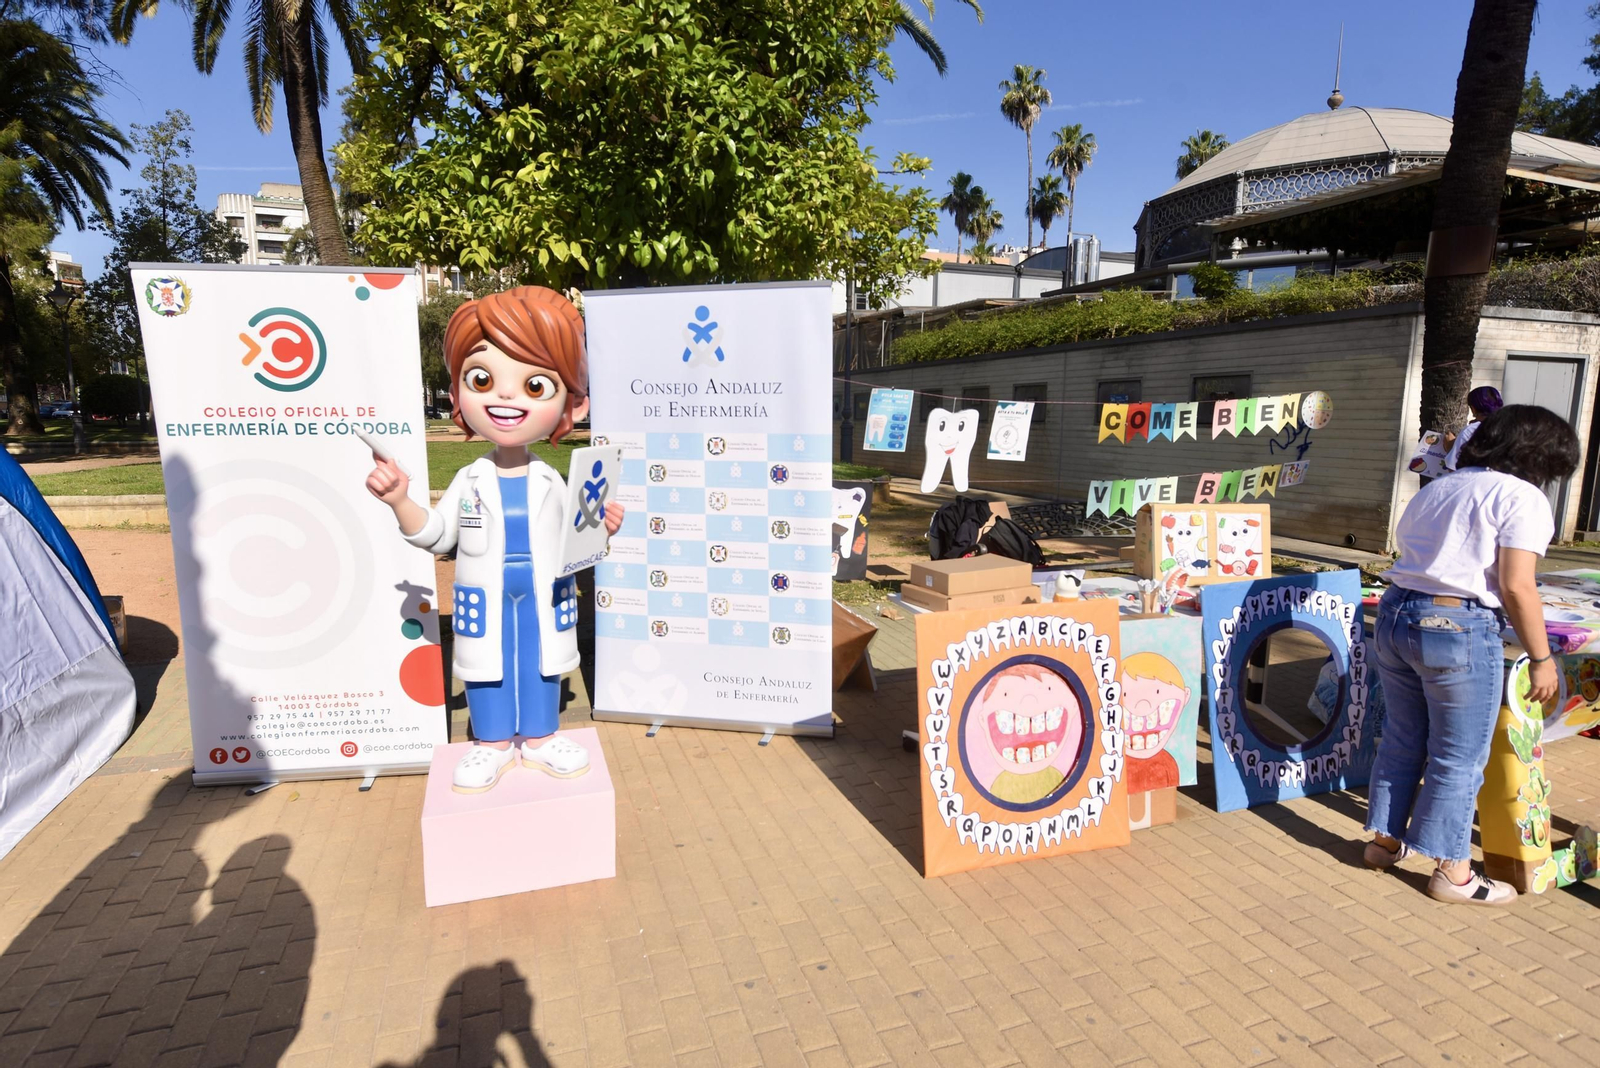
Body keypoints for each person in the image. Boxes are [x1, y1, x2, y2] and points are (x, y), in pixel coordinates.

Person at [365, 287, 624, 793]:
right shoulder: (470, 479)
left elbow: (579, 541)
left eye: (535, 385)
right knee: (486, 666)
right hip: (485, 590)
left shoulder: (554, 481)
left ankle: (541, 736)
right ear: (460, 391)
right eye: (482, 379)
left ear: (572, 403)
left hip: (544, 591)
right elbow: (438, 535)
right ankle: (492, 744)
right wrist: (400, 500)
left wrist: (601, 529)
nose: (505, 396)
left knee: (541, 660)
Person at [1363, 404, 1578, 905]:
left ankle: (1384, 843)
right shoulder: (1522, 497)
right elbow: (1516, 585)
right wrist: (1542, 658)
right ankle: (1453, 872)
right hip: (1454, 626)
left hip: (1396, 615)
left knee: (1402, 739)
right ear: (1540, 455)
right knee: (1459, 754)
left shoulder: (1440, 487)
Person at [1443, 385, 1503, 471]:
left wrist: (1449, 447)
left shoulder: (1470, 430)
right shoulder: (1509, 426)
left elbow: (1454, 468)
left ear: (1473, 409)